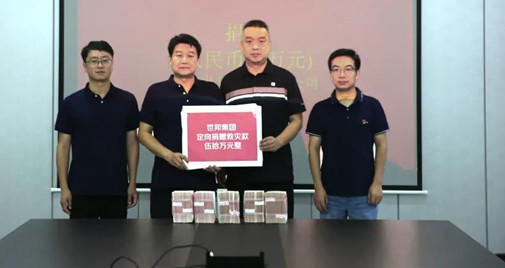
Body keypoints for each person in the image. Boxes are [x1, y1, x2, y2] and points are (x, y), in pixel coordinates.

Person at [219, 20, 305, 218]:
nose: (255, 47)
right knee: (240, 231)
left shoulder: (286, 78)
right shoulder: (229, 81)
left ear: (270, 44)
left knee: (281, 232)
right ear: (241, 46)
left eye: (261, 41)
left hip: (277, 171)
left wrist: (279, 141)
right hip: (239, 174)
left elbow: (296, 120)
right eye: (249, 41)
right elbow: (222, 125)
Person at [138, 33, 224, 218]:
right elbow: (143, 133)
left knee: (204, 233)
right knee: (163, 233)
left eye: (190, 55)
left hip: (203, 182)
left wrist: (217, 160)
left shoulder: (212, 90)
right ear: (170, 60)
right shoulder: (156, 91)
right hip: (166, 180)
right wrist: (168, 155)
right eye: (179, 55)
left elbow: (222, 130)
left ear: (198, 61)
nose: (184, 60)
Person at [55, 40, 140, 219]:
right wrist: (64, 187)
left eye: (105, 60)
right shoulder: (71, 103)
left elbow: (132, 143)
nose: (100, 65)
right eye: (94, 61)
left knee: (117, 237)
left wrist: (132, 182)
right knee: (80, 237)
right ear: (85, 66)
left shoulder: (127, 100)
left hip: (116, 188)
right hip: (80, 189)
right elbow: (63, 146)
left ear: (112, 63)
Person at [306, 48, 388, 220]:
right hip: (330, 195)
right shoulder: (320, 109)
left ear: (357, 73)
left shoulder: (372, 106)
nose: (341, 75)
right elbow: (313, 149)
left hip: (365, 193)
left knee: (366, 238)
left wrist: (377, 183)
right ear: (330, 74)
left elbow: (382, 145)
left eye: (348, 69)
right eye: (335, 69)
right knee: (328, 238)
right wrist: (318, 187)